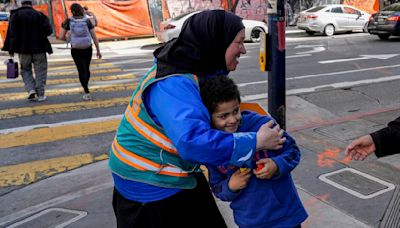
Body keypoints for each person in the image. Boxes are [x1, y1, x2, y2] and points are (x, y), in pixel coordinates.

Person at [109, 10, 286, 227]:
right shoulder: (173, 84)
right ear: (216, 43)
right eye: (238, 42)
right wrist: (255, 141)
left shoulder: (196, 66)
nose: (243, 49)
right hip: (150, 184)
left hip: (173, 172)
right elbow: (192, 142)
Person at [201, 76, 308, 228]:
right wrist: (230, 186)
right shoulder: (212, 145)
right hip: (249, 221)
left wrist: (276, 165)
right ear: (208, 117)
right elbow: (217, 187)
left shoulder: (263, 125)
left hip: (286, 216)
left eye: (235, 111)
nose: (232, 119)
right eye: (223, 116)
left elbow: (292, 151)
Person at [2, 0, 53, 102]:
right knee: (40, 71)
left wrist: (10, 49)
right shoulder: (39, 15)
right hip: (39, 49)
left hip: (23, 50)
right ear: (31, 5)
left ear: (22, 5)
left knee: (25, 70)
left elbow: (11, 34)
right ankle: (41, 95)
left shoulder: (15, 16)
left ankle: (31, 90)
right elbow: (49, 31)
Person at [60, 3, 102, 101]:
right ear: (81, 10)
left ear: (72, 11)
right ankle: (86, 85)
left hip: (75, 49)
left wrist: (69, 38)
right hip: (87, 48)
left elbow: (61, 36)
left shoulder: (68, 21)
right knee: (86, 69)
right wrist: (98, 51)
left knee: (80, 69)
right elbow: (94, 37)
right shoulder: (87, 20)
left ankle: (86, 91)